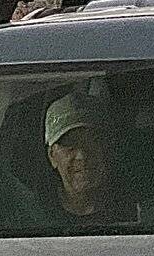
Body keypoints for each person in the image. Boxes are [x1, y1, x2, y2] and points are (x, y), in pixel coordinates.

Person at [38, 88, 136, 226]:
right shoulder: (34, 214)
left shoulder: (133, 207)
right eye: (70, 145)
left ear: (106, 148)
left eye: (91, 142)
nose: (81, 156)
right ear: (52, 156)